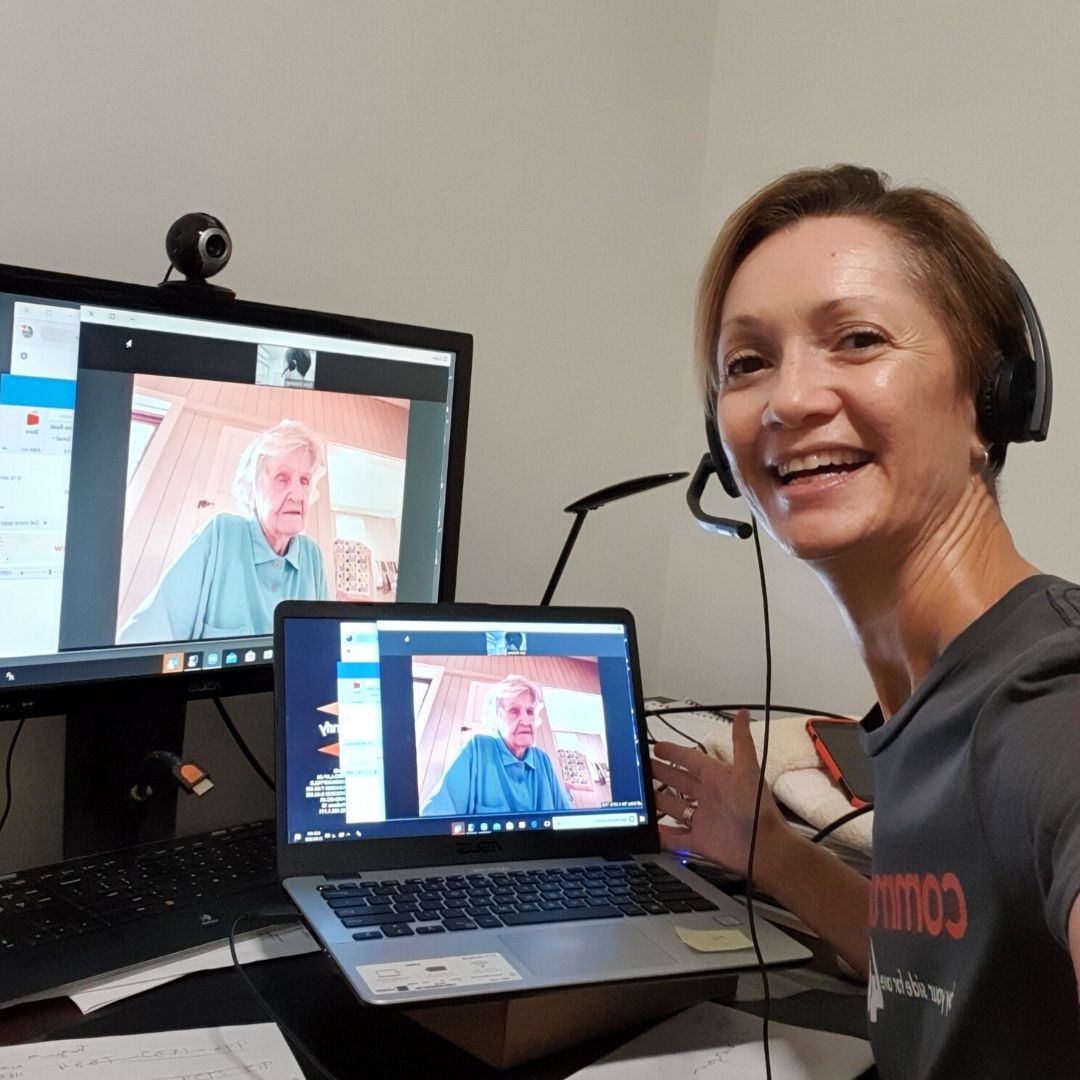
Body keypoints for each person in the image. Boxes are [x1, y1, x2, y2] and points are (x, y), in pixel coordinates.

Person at [650, 165, 1080, 1078]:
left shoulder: (1045, 701)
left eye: (856, 339)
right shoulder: (936, 699)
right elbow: (932, 974)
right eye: (748, 361)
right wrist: (768, 851)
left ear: (992, 399)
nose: (789, 400)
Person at [118, 419, 331, 644]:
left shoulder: (312, 557)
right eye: (282, 478)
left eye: (305, 480)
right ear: (253, 486)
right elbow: (147, 634)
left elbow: (325, 643)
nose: (298, 495)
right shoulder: (221, 534)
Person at [422, 674, 572, 816]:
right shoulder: (477, 749)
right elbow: (435, 816)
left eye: (530, 711)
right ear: (496, 717)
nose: (526, 721)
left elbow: (567, 820)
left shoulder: (543, 760)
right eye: (514, 711)